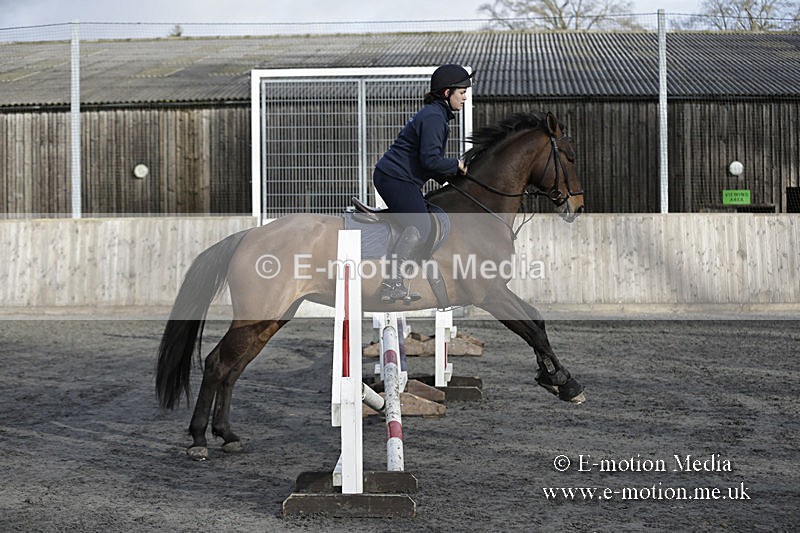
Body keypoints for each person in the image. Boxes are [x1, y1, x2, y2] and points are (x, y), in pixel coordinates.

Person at [373, 64, 472, 303]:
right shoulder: (434, 118)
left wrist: (450, 174)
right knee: (421, 226)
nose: (465, 97)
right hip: (394, 178)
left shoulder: (435, 115)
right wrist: (455, 166)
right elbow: (429, 160)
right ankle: (391, 283)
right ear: (447, 93)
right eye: (461, 92)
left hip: (400, 178)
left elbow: (427, 163)